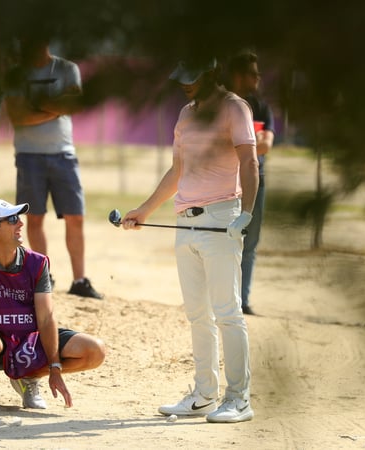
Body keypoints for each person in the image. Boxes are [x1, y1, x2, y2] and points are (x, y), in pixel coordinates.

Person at [121, 57, 258, 423]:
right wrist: (145, 210)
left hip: (222, 219)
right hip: (186, 221)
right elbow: (177, 170)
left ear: (211, 73)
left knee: (228, 312)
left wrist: (246, 213)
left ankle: (239, 399)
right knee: (198, 315)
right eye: (180, 78)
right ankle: (204, 395)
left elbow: (249, 161)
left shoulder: (234, 107)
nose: (184, 84)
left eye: (191, 77)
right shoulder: (185, 113)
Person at [0, 199, 106, 409]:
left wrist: (55, 367)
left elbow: (46, 317)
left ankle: (27, 378)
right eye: (13, 219)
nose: (21, 224)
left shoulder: (38, 262)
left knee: (95, 351)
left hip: (30, 344)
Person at [3, 32, 102, 299]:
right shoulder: (15, 74)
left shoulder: (67, 69)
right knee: (34, 219)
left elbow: (75, 105)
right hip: (28, 154)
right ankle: (42, 276)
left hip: (63, 153)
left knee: (75, 217)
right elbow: (17, 115)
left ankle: (80, 280)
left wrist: (35, 104)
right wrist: (56, 105)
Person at [227, 51, 276, 316]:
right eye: (253, 73)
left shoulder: (261, 107)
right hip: (224, 183)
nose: (258, 77)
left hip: (257, 183)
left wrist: (239, 147)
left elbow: (267, 145)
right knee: (222, 243)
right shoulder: (222, 103)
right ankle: (223, 298)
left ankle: (241, 301)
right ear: (238, 75)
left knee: (250, 244)